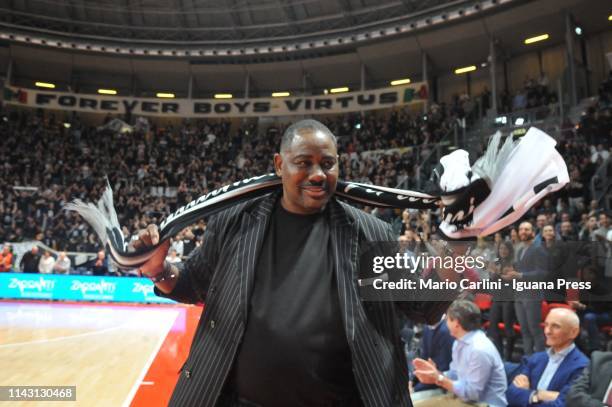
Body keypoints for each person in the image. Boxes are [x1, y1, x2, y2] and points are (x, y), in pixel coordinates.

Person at [136, 119, 451, 407]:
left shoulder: (369, 234)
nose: (317, 174)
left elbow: (424, 305)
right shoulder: (235, 221)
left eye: (327, 164)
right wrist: (158, 271)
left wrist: (457, 237)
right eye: (304, 163)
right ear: (279, 164)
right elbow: (193, 284)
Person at [413, 300, 507, 406]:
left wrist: (439, 378)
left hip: (483, 404)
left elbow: (472, 394)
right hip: (463, 399)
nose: (445, 322)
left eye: (447, 319)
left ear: (457, 323)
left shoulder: (479, 349)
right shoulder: (459, 342)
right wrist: (437, 373)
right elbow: (455, 375)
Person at [505, 308, 588, 407]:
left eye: (556, 326)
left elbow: (562, 404)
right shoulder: (536, 358)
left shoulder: (582, 367)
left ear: (573, 332)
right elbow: (510, 394)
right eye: (546, 325)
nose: (547, 331)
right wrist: (536, 396)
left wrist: (528, 395)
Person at [503, 222, 549, 355]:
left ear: (533, 232)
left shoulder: (539, 248)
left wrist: (520, 275)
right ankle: (528, 359)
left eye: (526, 229)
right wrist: (510, 274)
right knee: (524, 330)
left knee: (534, 330)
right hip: (519, 294)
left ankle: (540, 360)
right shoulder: (520, 249)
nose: (523, 231)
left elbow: (542, 273)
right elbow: (519, 271)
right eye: (521, 229)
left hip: (532, 294)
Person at [487, 241, 516, 361]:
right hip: (496, 298)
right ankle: (499, 353)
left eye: (505, 249)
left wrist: (498, 273)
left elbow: (511, 279)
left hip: (509, 299)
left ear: (509, 251)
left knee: (509, 328)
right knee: (492, 328)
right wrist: (494, 273)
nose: (503, 251)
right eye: (501, 249)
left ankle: (508, 356)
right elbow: (492, 280)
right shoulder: (496, 263)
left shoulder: (514, 263)